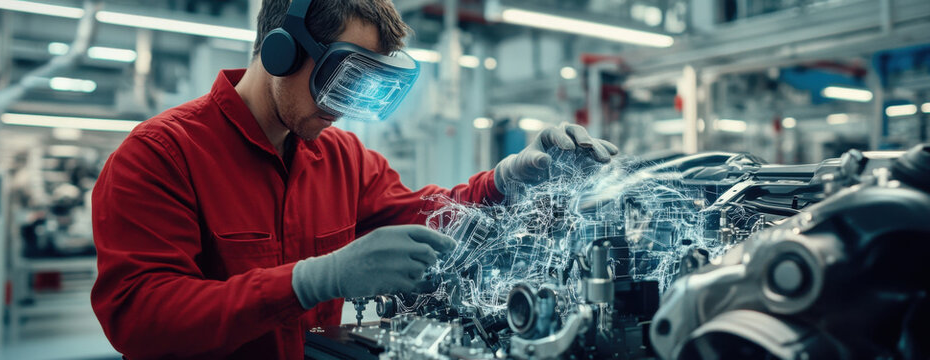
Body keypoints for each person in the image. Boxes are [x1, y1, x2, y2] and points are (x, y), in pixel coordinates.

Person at [89, 0, 618, 358]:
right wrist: (311, 280)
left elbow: (423, 215)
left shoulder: (339, 155)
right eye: (341, 80)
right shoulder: (159, 156)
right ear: (281, 50)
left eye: (364, 87)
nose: (344, 108)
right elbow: (140, 318)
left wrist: (507, 182)